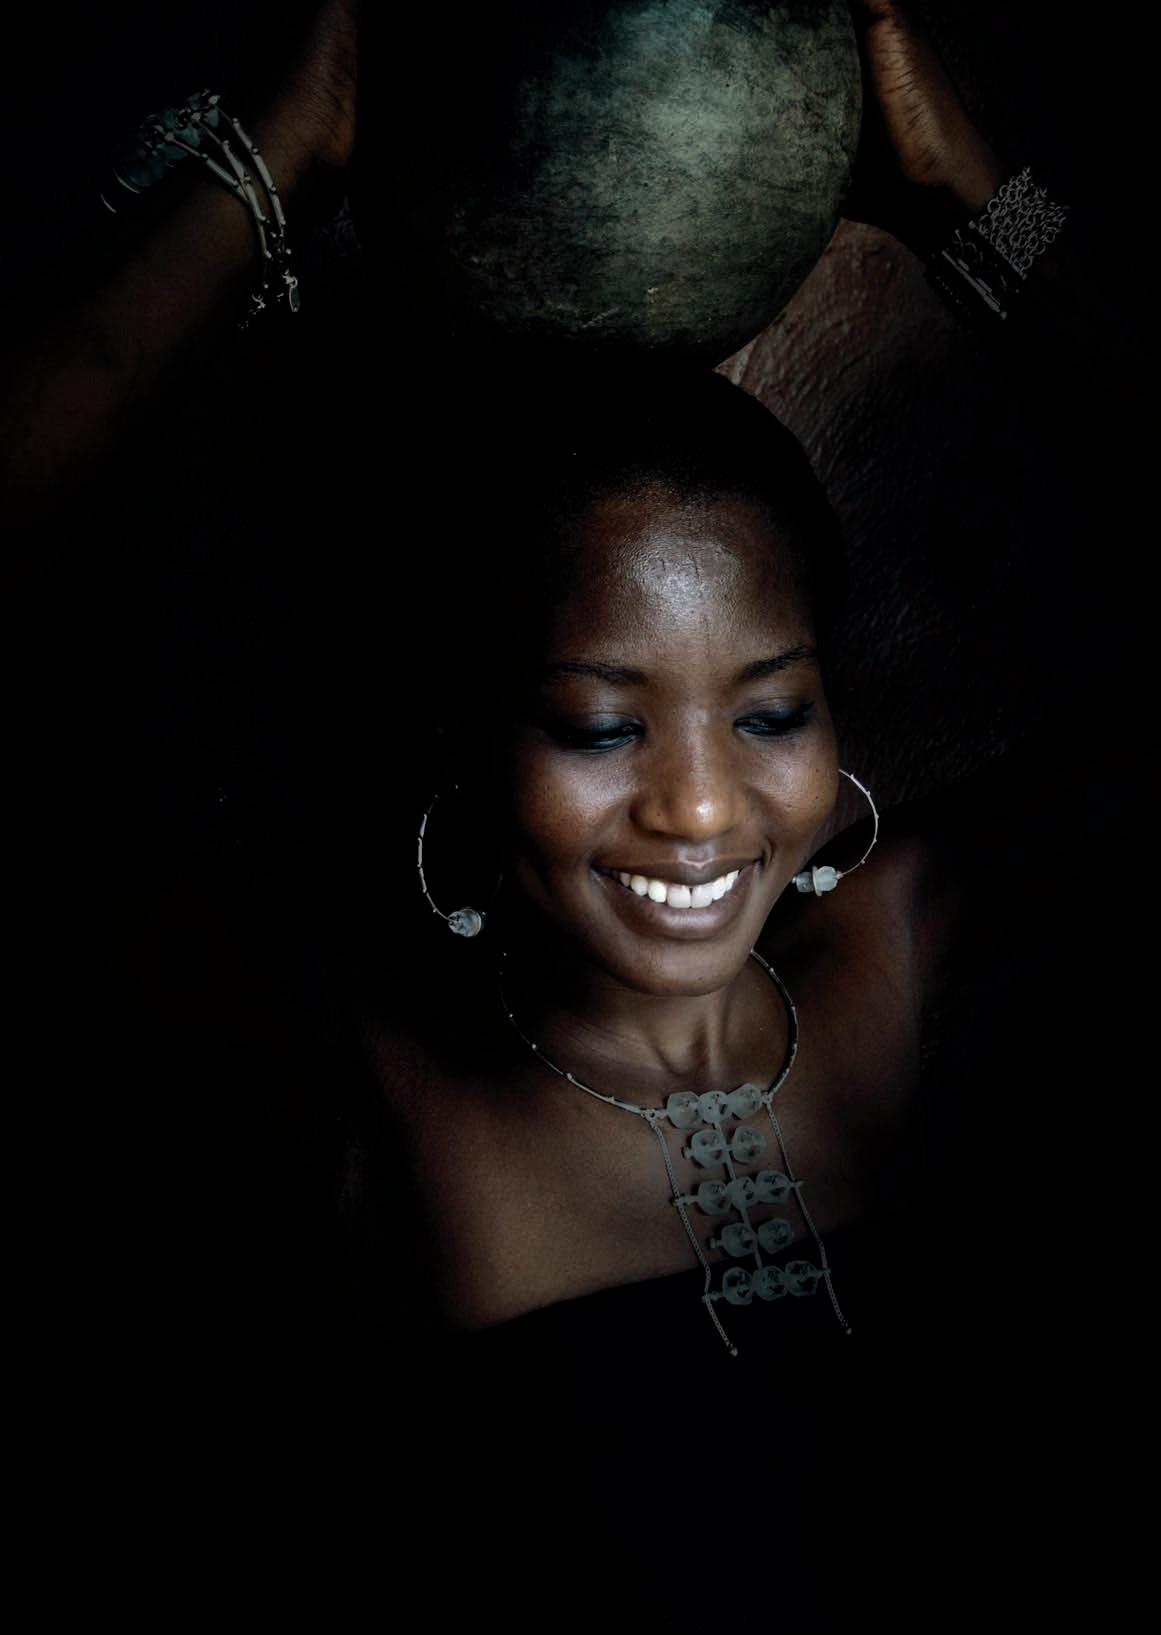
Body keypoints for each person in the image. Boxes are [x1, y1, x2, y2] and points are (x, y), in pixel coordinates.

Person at [4, 1, 1147, 1626]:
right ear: (465, 741)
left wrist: (969, 197)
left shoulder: (915, 948)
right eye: (601, 724)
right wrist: (262, 168)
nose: (699, 803)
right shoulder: (363, 1084)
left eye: (769, 711)